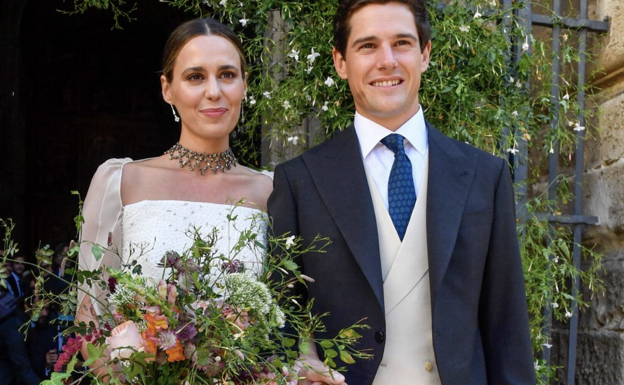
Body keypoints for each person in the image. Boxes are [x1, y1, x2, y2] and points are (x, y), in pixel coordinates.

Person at [267, 0, 536, 384]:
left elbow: (506, 324)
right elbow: (282, 320)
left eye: (402, 43)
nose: (387, 60)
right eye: (367, 46)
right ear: (341, 62)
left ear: (424, 54)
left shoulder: (484, 174)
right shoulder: (299, 181)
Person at [76, 17, 272, 379]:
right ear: (167, 88)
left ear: (245, 85)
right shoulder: (120, 181)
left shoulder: (271, 190)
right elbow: (90, 316)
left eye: (227, 74)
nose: (214, 91)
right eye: (195, 77)